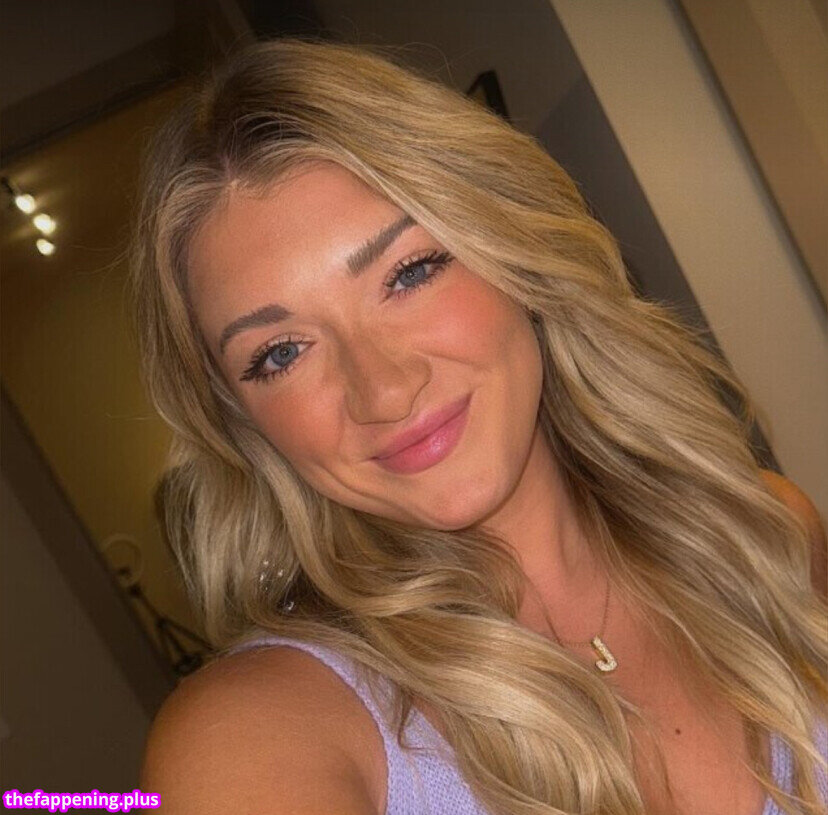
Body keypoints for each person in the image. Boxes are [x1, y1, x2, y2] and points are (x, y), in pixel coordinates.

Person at [130, 37, 827, 815]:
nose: (384, 389)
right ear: (242, 421)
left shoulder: (764, 541)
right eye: (281, 352)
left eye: (409, 273)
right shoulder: (254, 734)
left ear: (513, 249)